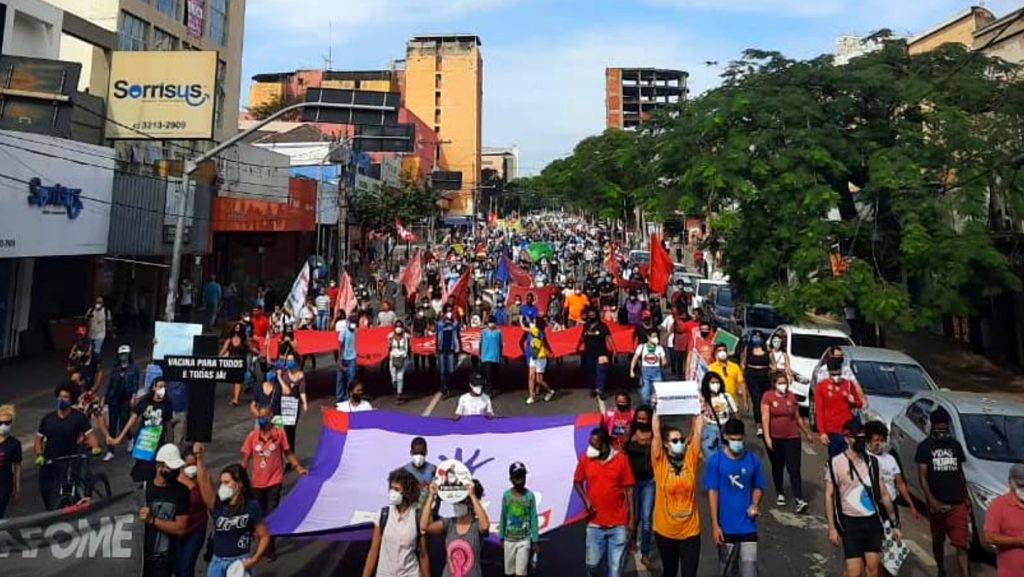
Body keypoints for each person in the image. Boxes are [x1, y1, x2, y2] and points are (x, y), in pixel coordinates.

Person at [825, 420, 903, 577]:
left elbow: (884, 495)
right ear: (847, 438)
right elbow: (829, 495)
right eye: (857, 438)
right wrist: (832, 528)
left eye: (863, 437)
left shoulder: (873, 463)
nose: (861, 441)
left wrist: (894, 524)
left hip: (872, 522)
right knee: (854, 572)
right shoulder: (835, 463)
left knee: (873, 570)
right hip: (850, 523)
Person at [193, 443, 270, 577]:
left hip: (239, 562)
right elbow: (203, 482)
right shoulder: (217, 504)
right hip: (217, 563)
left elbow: (264, 536)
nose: (223, 486)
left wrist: (253, 560)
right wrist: (199, 458)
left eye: (227, 482)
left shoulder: (251, 506)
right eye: (222, 482)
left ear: (239, 484)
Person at [241, 405, 308, 560]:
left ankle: (270, 547)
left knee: (272, 515)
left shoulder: (279, 435)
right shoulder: (252, 436)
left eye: (264, 417)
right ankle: (261, 544)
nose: (261, 419)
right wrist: (239, 478)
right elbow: (245, 460)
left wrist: (299, 468)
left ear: (271, 417)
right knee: (258, 517)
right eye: (259, 417)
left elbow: (288, 453)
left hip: (274, 482)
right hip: (257, 484)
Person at [704, 419, 765, 577]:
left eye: (739, 439)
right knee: (726, 570)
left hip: (748, 526)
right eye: (733, 439)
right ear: (725, 437)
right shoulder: (716, 461)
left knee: (749, 569)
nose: (736, 443)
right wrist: (715, 525)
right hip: (726, 528)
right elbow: (713, 492)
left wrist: (754, 504)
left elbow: (758, 486)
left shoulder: (752, 460)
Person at [915, 407, 971, 577]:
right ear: (933, 426)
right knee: (938, 540)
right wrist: (931, 500)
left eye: (944, 425)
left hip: (957, 502)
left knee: (961, 543)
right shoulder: (925, 447)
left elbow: (960, 473)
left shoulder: (955, 446)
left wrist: (966, 496)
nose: (942, 428)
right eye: (939, 425)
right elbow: (923, 476)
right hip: (937, 503)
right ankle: (941, 568)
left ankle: (965, 574)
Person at [573, 427, 635, 577]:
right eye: (590, 443)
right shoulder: (585, 459)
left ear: (605, 445)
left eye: (595, 445)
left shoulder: (621, 460)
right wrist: (586, 500)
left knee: (615, 571)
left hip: (618, 524)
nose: (591, 448)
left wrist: (631, 520)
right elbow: (577, 481)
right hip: (594, 523)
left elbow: (629, 491)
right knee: (592, 565)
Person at [651, 404, 704, 577]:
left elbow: (697, 432)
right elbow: (656, 435)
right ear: (666, 445)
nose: (680, 443)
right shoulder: (660, 462)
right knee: (670, 572)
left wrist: (698, 409)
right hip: (665, 531)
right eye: (674, 441)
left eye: (681, 440)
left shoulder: (690, 457)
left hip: (690, 531)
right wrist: (655, 410)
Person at [34, 383, 102, 509]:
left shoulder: (79, 418)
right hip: (49, 462)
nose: (61, 400)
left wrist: (95, 447)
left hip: (70, 461)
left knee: (67, 490)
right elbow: (38, 439)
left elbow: (90, 436)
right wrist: (39, 455)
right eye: (60, 397)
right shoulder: (48, 419)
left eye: (65, 397)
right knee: (47, 493)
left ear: (71, 401)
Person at [761, 371, 813, 513]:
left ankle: (799, 499)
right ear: (774, 384)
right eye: (780, 383)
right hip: (775, 438)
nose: (783, 386)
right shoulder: (768, 397)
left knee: (794, 468)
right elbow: (765, 417)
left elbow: (797, 417)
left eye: (785, 383)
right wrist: (767, 437)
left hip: (792, 437)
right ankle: (780, 492)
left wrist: (806, 432)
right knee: (778, 466)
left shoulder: (791, 396)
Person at [361, 468, 430, 577]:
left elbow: (423, 555)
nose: (392, 492)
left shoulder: (417, 517)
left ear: (406, 492)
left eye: (396, 489)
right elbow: (373, 551)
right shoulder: (383, 515)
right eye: (391, 488)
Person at [421, 478, 490, 577]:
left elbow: (485, 527)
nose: (457, 504)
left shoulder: (476, 525)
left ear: (469, 504)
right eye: (456, 501)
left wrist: (472, 496)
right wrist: (431, 496)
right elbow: (424, 526)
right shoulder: (449, 523)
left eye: (461, 501)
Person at [110, 377, 174, 483]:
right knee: (142, 469)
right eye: (160, 386)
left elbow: (168, 425)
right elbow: (133, 419)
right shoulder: (145, 402)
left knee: (155, 469)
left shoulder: (167, 404)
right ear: (154, 387)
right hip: (144, 441)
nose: (162, 389)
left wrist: (170, 445)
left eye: (164, 387)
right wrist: (120, 437)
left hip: (158, 441)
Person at [141, 444, 190, 577]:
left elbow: (180, 528)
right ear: (159, 466)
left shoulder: (181, 491)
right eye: (171, 468)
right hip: (141, 559)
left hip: (165, 560)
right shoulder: (143, 490)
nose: (174, 472)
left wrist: (153, 520)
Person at [865, 420, 920, 532]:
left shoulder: (890, 459)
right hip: (871, 505)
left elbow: (900, 484)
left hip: (891, 504)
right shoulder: (864, 459)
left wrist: (912, 506)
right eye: (876, 440)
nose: (879, 443)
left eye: (882, 440)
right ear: (869, 441)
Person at [814, 357, 864, 458]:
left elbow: (859, 404)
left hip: (847, 429)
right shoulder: (821, 387)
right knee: (835, 459)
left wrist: (854, 401)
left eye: (838, 374)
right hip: (832, 429)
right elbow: (819, 410)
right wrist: (822, 432)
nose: (836, 377)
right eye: (833, 374)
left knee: (849, 457)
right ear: (828, 372)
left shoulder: (848, 384)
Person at [624, 405, 655, 569]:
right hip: (632, 482)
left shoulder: (654, 435)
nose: (642, 421)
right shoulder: (631, 432)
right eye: (639, 418)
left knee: (647, 518)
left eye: (645, 418)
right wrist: (629, 435)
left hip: (649, 482)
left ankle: (645, 553)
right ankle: (631, 540)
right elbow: (622, 450)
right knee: (633, 516)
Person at [499, 462, 540, 577]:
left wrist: (535, 540)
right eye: (517, 476)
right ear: (511, 479)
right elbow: (503, 516)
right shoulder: (507, 496)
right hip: (509, 540)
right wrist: (501, 537)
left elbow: (533, 518)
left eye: (522, 476)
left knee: (521, 572)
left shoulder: (529, 496)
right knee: (509, 572)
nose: (520, 479)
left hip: (524, 540)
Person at [983, 464, 1024, 577]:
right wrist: (1020, 541)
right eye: (1021, 486)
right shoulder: (999, 505)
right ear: (1011, 483)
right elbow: (989, 536)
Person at [177, 446, 209, 577]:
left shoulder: (204, 480)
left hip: (197, 527)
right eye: (187, 464)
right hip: (178, 530)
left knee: (186, 566)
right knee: (177, 568)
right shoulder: (177, 481)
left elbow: (211, 502)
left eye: (194, 464)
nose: (191, 468)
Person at [103, 344, 139, 461]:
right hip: (114, 398)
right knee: (112, 425)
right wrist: (105, 398)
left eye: (125, 354)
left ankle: (129, 438)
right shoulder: (115, 369)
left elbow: (135, 383)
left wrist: (134, 396)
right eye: (121, 354)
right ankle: (110, 450)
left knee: (123, 423)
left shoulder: (133, 368)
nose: (123, 357)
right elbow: (110, 385)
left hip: (125, 399)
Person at [700, 371, 739, 459]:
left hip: (725, 429)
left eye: (717, 382)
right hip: (709, 430)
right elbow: (697, 418)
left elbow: (735, 413)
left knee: (727, 457)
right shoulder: (704, 399)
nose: (715, 385)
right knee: (712, 459)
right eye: (712, 382)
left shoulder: (726, 396)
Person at [741, 331, 771, 437]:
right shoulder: (748, 349)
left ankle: (766, 421)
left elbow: (773, 364)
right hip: (752, 376)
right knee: (756, 399)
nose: (756, 338)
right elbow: (743, 363)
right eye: (754, 336)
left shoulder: (767, 350)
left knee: (765, 400)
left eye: (758, 337)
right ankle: (759, 424)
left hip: (765, 377)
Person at [579, 309, 613, 399]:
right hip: (589, 354)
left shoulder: (602, 326)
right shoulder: (586, 326)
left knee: (601, 372)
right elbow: (582, 337)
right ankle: (593, 389)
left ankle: (600, 390)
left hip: (601, 353)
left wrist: (614, 350)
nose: (591, 316)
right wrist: (577, 346)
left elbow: (608, 338)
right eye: (589, 315)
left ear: (596, 316)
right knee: (590, 372)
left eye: (593, 315)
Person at [278, 352, 308, 456]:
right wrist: (279, 378)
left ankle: (290, 457)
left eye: (291, 360)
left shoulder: (300, 375)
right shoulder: (283, 373)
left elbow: (302, 391)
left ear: (296, 362)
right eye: (288, 360)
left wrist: (304, 403)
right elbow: (284, 391)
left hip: (293, 406)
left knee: (290, 433)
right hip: (282, 406)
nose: (289, 362)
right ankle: (280, 457)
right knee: (281, 432)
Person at [708, 343, 750, 412]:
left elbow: (742, 384)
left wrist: (745, 401)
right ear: (715, 353)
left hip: (733, 403)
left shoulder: (735, 367)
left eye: (724, 350)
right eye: (719, 350)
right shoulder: (711, 368)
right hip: (716, 403)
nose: (722, 352)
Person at [630, 332, 667, 406]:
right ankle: (647, 409)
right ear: (648, 337)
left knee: (657, 396)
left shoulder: (659, 348)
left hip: (657, 374)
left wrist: (664, 362)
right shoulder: (642, 347)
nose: (655, 338)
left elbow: (664, 359)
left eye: (656, 336)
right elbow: (635, 358)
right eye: (653, 336)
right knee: (645, 396)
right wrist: (631, 370)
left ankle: (654, 411)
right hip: (645, 374)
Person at [0, 404, 22, 518]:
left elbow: (17, 467)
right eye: (1, 423)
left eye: (7, 423)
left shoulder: (14, 444)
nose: (4, 426)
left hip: (4, 485)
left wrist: (17, 489)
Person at [403, 437, 437, 509]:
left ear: (426, 452)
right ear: (411, 452)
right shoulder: (404, 471)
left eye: (421, 453)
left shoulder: (433, 470)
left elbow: (438, 496)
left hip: (428, 512)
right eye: (415, 453)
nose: (419, 456)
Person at [436, 311, 462, 399]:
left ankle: (446, 385)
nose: (448, 321)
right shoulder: (440, 326)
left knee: (450, 370)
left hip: (450, 350)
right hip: (441, 350)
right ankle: (444, 390)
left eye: (449, 319)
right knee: (443, 371)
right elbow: (438, 323)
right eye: (446, 319)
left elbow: (456, 323)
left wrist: (452, 316)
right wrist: (444, 317)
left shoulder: (453, 327)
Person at [387, 321, 411, 403]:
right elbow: (388, 347)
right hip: (393, 358)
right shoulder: (390, 336)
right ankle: (396, 389)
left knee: (400, 377)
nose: (398, 328)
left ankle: (399, 394)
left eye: (400, 326)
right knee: (394, 379)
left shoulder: (406, 336)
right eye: (397, 326)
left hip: (402, 358)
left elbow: (412, 341)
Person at [338, 314, 359, 404]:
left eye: (355, 323)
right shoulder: (343, 332)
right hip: (343, 358)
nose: (353, 325)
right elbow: (340, 346)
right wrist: (339, 361)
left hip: (352, 358)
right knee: (340, 379)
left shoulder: (355, 331)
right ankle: (339, 398)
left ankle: (348, 397)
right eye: (352, 322)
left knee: (351, 378)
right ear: (348, 322)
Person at [480, 317, 503, 396]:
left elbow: (500, 344)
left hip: (495, 356)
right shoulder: (483, 332)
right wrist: (480, 354)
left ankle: (494, 388)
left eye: (493, 322)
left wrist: (500, 355)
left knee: (494, 374)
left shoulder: (498, 332)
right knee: (487, 374)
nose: (491, 324)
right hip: (486, 356)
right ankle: (488, 390)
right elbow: (481, 343)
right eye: (490, 322)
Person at [85, 296, 112, 360]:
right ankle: (91, 364)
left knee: (96, 351)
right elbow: (86, 320)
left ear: (102, 303)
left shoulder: (106, 311)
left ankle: (97, 364)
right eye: (97, 302)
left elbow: (109, 322)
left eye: (100, 302)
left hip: (100, 335)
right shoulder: (91, 310)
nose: (98, 303)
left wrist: (112, 332)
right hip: (90, 334)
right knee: (90, 351)